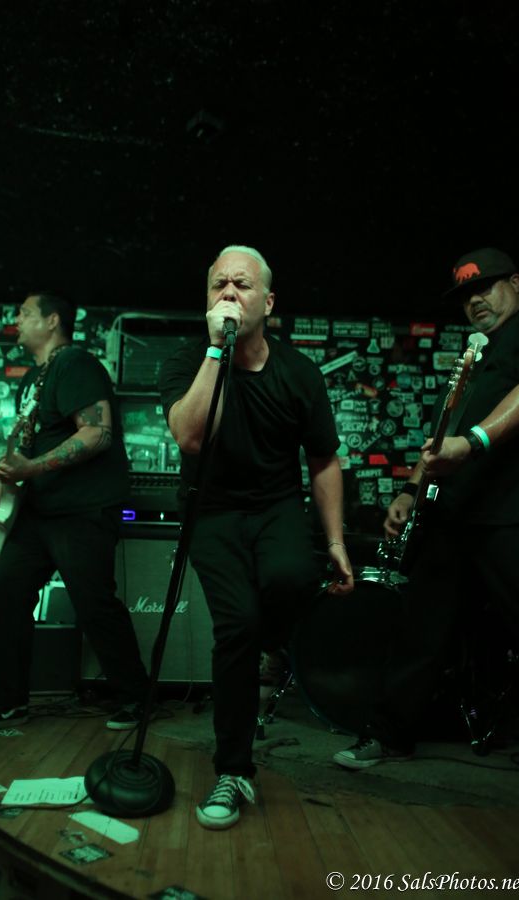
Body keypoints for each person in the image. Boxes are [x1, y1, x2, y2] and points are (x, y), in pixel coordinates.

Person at [159, 245, 354, 829]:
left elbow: (323, 459)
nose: (228, 292)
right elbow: (192, 438)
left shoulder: (298, 372)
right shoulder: (188, 361)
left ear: (268, 302)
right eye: (218, 283)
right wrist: (217, 350)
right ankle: (232, 769)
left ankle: (272, 644)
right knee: (235, 628)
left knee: (294, 577)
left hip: (276, 506)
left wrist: (336, 542)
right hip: (211, 512)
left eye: (241, 284)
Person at [334, 247, 519, 768]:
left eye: (485, 287)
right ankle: (389, 734)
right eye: (466, 296)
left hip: (512, 514)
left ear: (516, 282)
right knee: (420, 629)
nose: (475, 301)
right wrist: (410, 490)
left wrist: (472, 443)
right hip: (454, 515)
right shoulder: (474, 356)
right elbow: (442, 437)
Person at [0, 292, 150, 734]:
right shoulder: (33, 378)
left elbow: (97, 433)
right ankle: (8, 702)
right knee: (7, 591)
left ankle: (137, 698)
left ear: (51, 321)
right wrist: (5, 477)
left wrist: (30, 468)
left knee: (93, 602)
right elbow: (29, 441)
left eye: (25, 313)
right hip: (39, 512)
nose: (16, 319)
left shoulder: (74, 364)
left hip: (82, 509)